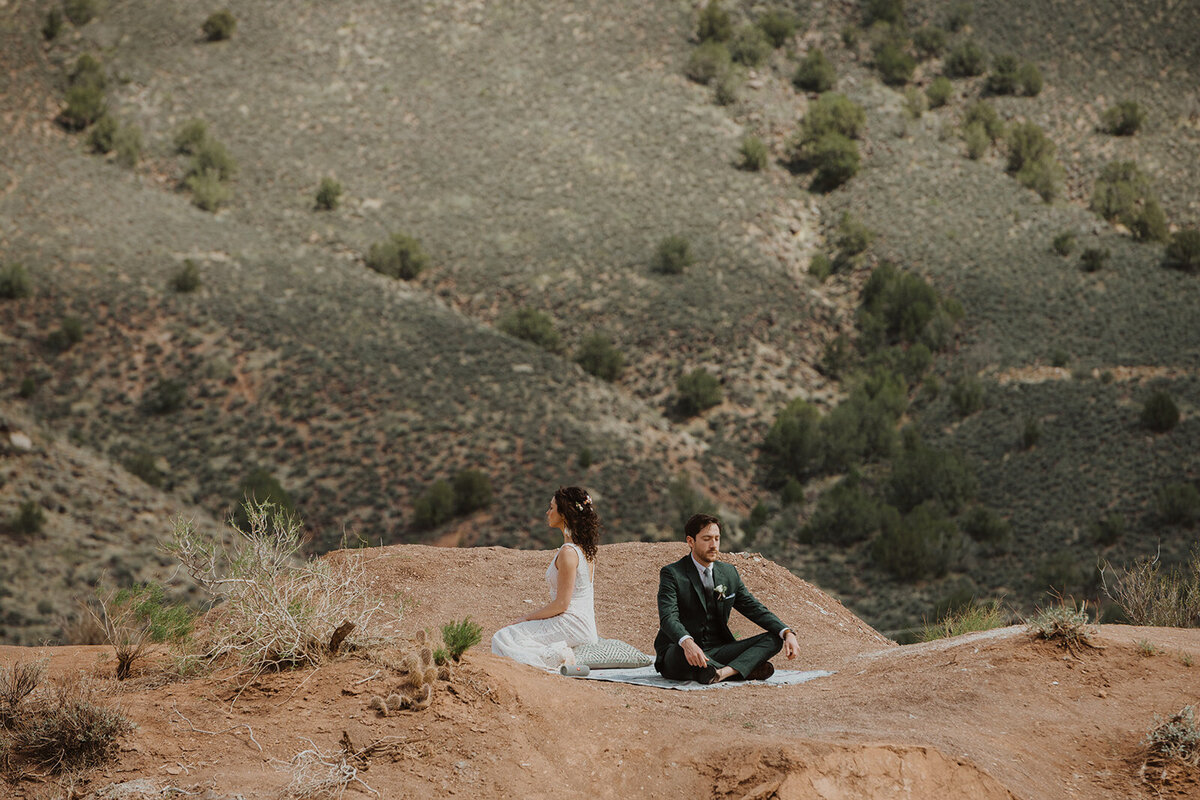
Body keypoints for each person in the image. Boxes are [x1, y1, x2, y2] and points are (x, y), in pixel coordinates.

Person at [654, 512, 800, 683]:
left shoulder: (729, 573)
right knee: (680, 649)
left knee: (775, 638)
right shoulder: (672, 573)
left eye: (717, 539)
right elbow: (668, 617)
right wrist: (687, 643)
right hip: (681, 653)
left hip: (718, 649)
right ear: (690, 541)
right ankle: (742, 668)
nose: (713, 545)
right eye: (707, 539)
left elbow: (753, 608)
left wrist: (787, 632)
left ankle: (722, 673)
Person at [491, 486, 600, 670]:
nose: (547, 512)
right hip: (583, 625)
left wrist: (525, 618)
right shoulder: (583, 550)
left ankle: (561, 657)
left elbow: (562, 604)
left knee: (503, 637)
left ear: (563, 514)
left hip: (573, 624)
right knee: (512, 636)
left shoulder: (568, 552)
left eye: (551, 508)